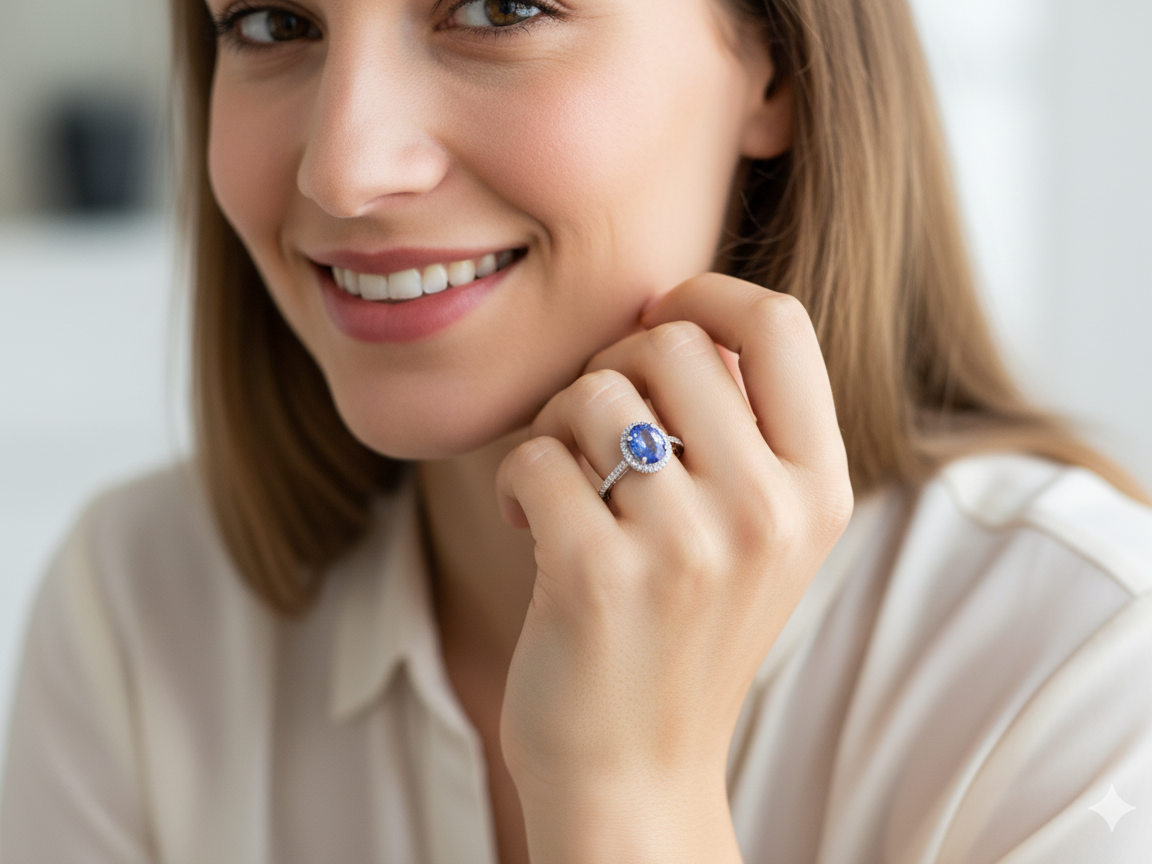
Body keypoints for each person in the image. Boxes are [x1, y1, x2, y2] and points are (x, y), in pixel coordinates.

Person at [3, 0, 1151, 861]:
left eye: (500, 7)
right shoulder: (136, 613)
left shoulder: (1094, 672)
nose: (344, 167)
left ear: (772, 63)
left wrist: (626, 796)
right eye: (269, 20)